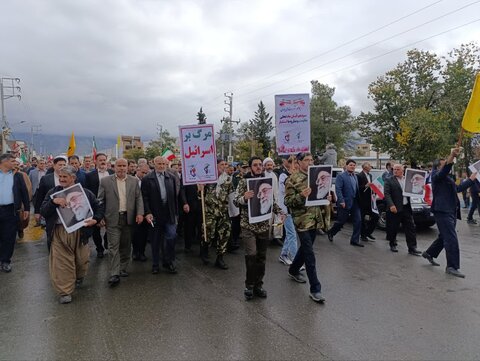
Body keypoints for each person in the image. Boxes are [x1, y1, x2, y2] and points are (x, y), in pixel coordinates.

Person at [40, 165, 103, 304]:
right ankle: (65, 291)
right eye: (60, 177)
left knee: (81, 260)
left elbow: (98, 207)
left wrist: (96, 219)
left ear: (73, 178)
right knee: (62, 263)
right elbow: (43, 211)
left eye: (65, 177)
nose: (62, 179)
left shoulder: (85, 193)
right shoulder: (53, 192)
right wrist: (53, 202)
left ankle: (79, 277)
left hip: (80, 232)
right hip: (59, 232)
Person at [234, 156, 285, 300]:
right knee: (251, 255)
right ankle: (249, 285)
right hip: (248, 225)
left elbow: (272, 201)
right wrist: (244, 198)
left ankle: (258, 285)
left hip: (263, 225)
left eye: (259, 165)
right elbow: (235, 201)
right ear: (250, 167)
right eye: (255, 165)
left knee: (261, 257)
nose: (258, 167)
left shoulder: (266, 181)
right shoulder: (244, 182)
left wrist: (280, 212)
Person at [422, 148, 477, 277]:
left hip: (451, 211)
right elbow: (445, 169)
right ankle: (452, 266)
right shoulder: (436, 176)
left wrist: (471, 179)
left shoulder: (447, 178)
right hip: (442, 211)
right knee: (451, 238)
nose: (446, 164)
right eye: (444, 163)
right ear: (437, 167)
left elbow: (457, 188)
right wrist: (452, 156)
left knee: (444, 236)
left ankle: (429, 253)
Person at [285, 152, 326, 303]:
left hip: (314, 220)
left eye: (311, 159)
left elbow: (320, 195)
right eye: (307, 160)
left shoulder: (316, 177)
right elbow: (288, 201)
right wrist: (301, 195)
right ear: (299, 162)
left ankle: (293, 269)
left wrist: (326, 197)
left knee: (304, 249)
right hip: (301, 221)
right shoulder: (292, 179)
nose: (310, 162)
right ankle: (315, 288)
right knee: (309, 253)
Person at [98, 158, 144, 287]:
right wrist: (100, 216)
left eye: (124, 166)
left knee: (126, 245)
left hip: (128, 217)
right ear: (114, 167)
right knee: (113, 246)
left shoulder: (134, 181)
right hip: (112, 218)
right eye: (119, 166)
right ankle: (114, 273)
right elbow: (100, 200)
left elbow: (138, 198)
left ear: (128, 167)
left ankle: (123, 268)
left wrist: (140, 213)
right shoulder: (105, 181)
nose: (122, 168)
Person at [142, 156, 187, 274]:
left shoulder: (171, 177)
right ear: (154, 164)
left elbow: (175, 198)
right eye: (159, 164)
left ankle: (169, 261)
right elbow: (145, 198)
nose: (162, 166)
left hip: (170, 213)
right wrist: (147, 212)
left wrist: (176, 213)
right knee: (156, 241)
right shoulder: (147, 179)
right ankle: (155, 264)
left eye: (164, 164)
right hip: (155, 214)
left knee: (171, 237)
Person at [199, 158, 233, 269]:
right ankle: (204, 251)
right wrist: (200, 189)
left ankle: (220, 258)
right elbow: (200, 197)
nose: (224, 166)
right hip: (210, 212)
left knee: (224, 235)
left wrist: (234, 211)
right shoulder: (207, 178)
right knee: (208, 234)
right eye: (221, 164)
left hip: (223, 211)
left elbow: (231, 195)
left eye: (225, 164)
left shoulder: (228, 179)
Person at [0, 154, 30, 273]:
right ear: (4, 162)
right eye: (12, 161)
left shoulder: (18, 176)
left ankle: (5, 261)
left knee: (9, 237)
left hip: (10, 210)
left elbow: (24, 193)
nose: (15, 163)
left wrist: (27, 209)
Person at [383, 164, 422, 255]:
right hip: (395, 208)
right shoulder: (389, 180)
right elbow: (387, 194)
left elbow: (414, 190)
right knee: (393, 228)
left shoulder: (408, 180)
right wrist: (391, 205)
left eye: (398, 169)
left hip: (406, 208)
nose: (395, 171)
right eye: (394, 169)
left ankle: (412, 248)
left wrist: (421, 190)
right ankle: (392, 244)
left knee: (410, 228)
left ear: (402, 170)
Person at [327, 159, 363, 247]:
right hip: (345, 202)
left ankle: (354, 240)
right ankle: (331, 232)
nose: (353, 167)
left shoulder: (355, 176)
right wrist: (342, 201)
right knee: (341, 222)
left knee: (358, 221)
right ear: (346, 166)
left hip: (355, 202)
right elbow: (338, 189)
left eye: (354, 165)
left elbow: (356, 189)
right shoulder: (341, 176)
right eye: (351, 165)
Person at [85, 153, 113, 258]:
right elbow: (88, 192)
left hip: (110, 205)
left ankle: (106, 240)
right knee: (96, 229)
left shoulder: (112, 173)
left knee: (110, 226)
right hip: (96, 205)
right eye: (100, 160)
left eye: (104, 159)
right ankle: (99, 249)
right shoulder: (89, 176)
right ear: (95, 162)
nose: (102, 161)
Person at [278, 155, 298, 265]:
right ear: (289, 164)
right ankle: (296, 262)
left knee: (291, 233)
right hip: (286, 210)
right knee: (292, 235)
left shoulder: (296, 176)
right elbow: (285, 191)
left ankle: (284, 254)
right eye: (293, 164)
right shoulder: (283, 176)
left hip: (294, 209)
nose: (295, 167)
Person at [132, 163, 151, 261]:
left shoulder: (148, 181)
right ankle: (135, 252)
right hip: (133, 211)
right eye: (142, 172)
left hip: (145, 211)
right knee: (135, 233)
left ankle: (142, 252)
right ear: (137, 170)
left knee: (144, 233)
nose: (144, 174)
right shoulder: (131, 181)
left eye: (146, 173)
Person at [357, 162, 378, 242]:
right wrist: (365, 186)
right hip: (362, 201)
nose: (370, 167)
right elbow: (358, 188)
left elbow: (371, 187)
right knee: (362, 219)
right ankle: (363, 235)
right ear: (364, 167)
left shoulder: (370, 175)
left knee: (376, 216)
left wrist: (374, 191)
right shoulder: (359, 175)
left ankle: (368, 232)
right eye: (369, 165)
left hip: (370, 200)